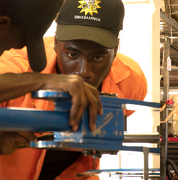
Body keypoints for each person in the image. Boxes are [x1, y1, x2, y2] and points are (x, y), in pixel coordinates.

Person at [0, 0, 147, 179]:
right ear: (56, 43)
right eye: (72, 54)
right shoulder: (14, 67)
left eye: (98, 57)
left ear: (115, 49)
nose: (83, 72)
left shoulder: (130, 81)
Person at [0, 0, 103, 156]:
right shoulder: (11, 63)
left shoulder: (129, 77)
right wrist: (41, 80)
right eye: (10, 47)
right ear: (2, 23)